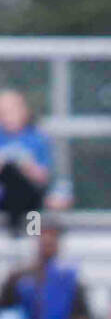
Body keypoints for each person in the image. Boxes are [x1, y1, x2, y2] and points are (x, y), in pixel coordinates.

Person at [0, 90, 54, 234]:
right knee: (9, 172)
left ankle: (31, 235)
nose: (7, 117)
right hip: (4, 198)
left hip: (30, 199)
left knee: (34, 199)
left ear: (24, 111)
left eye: (12, 111)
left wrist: (27, 167)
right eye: (3, 112)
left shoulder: (37, 139)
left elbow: (43, 177)